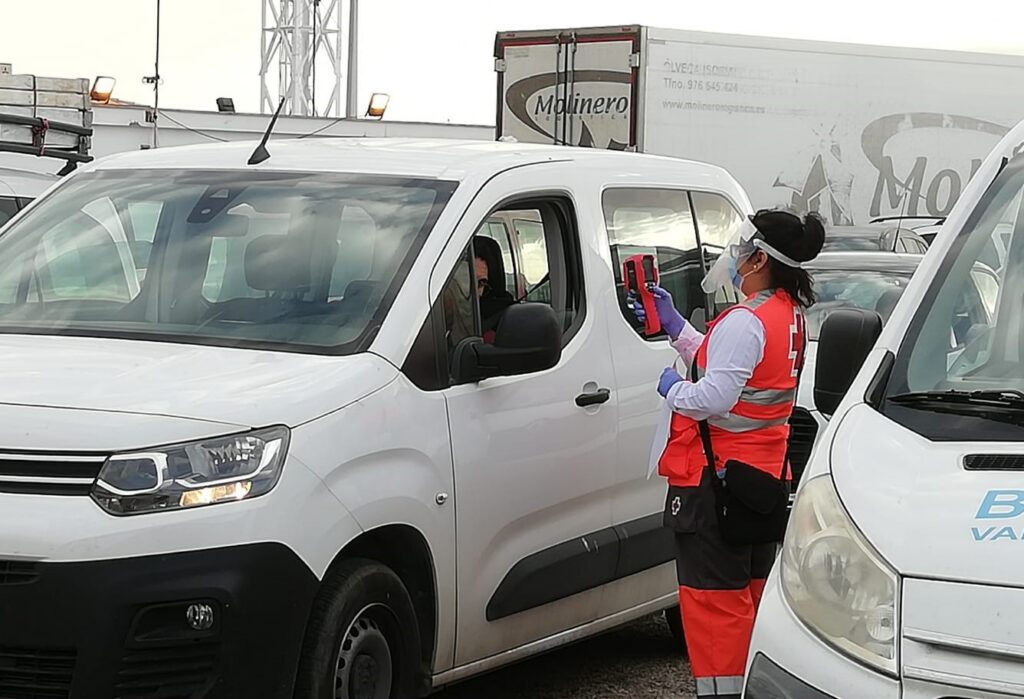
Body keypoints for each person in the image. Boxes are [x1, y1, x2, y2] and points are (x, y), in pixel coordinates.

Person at [631, 209, 824, 699]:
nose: (734, 257)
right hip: (757, 484)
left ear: (760, 258)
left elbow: (714, 395)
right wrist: (676, 327)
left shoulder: (746, 320)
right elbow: (732, 370)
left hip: (714, 487)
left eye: (743, 249)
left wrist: (673, 389)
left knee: (715, 607)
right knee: (751, 599)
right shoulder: (785, 316)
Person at [473, 238, 515, 343]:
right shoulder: (435, 317)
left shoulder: (502, 324)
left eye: (481, 283)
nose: (473, 291)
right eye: (465, 281)